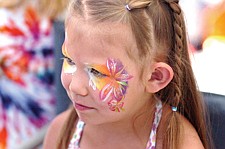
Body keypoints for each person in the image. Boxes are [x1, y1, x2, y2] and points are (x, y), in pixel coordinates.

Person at [43, 0, 213, 149]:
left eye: (96, 71)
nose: (75, 86)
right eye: (70, 60)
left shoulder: (178, 144)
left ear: (155, 76)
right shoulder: (62, 132)